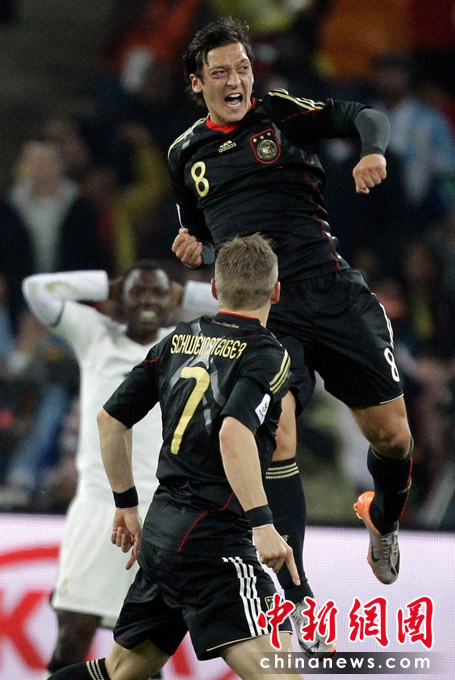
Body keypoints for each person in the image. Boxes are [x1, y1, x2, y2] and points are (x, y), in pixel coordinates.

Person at [169, 17, 413, 655]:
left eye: (242, 68)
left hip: (333, 293)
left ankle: (382, 515)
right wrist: (194, 248)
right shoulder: (184, 155)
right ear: (197, 83)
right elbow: (204, 235)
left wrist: (373, 151)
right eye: (220, 71)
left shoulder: (279, 114)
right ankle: (297, 601)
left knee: (393, 438)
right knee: (277, 430)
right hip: (268, 310)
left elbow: (365, 115)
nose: (235, 80)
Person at [47, 234, 302, 680]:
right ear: (275, 292)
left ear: (216, 290)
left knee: (120, 671)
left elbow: (110, 421)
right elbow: (234, 433)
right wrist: (264, 525)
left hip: (162, 535)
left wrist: (126, 505)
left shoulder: (180, 339)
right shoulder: (268, 354)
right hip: (215, 544)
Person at [22, 261, 217, 677]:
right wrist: (105, 285)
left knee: (145, 648)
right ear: (119, 300)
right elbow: (36, 289)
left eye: (158, 293)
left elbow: (244, 301)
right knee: (72, 633)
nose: (147, 300)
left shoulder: (187, 340)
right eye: (137, 291)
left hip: (160, 510)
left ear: (172, 302)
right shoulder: (94, 333)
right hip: (97, 506)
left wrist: (184, 293)